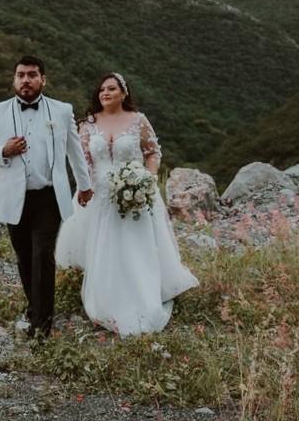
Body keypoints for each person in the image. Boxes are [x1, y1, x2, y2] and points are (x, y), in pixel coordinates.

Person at [55, 72, 198, 336]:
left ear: (124, 93)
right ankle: (108, 295)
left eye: (111, 88)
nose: (105, 93)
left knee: (135, 246)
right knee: (102, 247)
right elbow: (83, 159)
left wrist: (147, 177)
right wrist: (85, 186)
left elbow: (152, 152)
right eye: (101, 90)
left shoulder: (138, 120)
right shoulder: (88, 124)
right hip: (99, 194)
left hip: (136, 190)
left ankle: (141, 292)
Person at [0, 56, 93, 340]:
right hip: (14, 198)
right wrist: (3, 149)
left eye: (32, 75)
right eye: (21, 75)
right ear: (14, 79)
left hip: (49, 196)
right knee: (24, 256)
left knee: (42, 255)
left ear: (43, 79)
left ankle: (43, 324)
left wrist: (85, 185)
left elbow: (75, 151)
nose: (26, 80)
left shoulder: (62, 111)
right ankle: (34, 307)